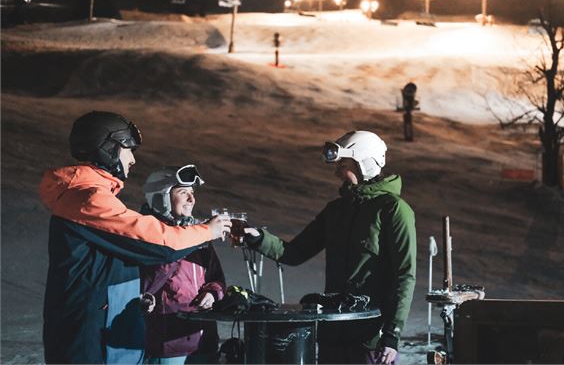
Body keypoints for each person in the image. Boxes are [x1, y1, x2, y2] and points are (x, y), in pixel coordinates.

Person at [39, 111, 232, 364]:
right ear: (108, 148)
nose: (132, 159)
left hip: (102, 329)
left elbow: (107, 265)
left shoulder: (93, 197)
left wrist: (137, 297)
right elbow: (161, 244)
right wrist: (208, 230)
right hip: (89, 336)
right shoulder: (89, 199)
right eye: (128, 150)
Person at [244, 130, 416, 364]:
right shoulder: (336, 210)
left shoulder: (393, 210)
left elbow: (405, 276)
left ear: (363, 162)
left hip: (370, 337)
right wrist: (256, 237)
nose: (336, 171)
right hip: (333, 333)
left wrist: (392, 334)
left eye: (342, 163)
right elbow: (294, 253)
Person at [139, 165, 226, 364]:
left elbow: (217, 279)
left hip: (204, 340)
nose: (191, 200)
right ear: (162, 198)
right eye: (183, 192)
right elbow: (145, 286)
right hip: (169, 344)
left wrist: (212, 294)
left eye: (192, 193)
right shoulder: (144, 233)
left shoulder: (199, 233)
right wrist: (180, 241)